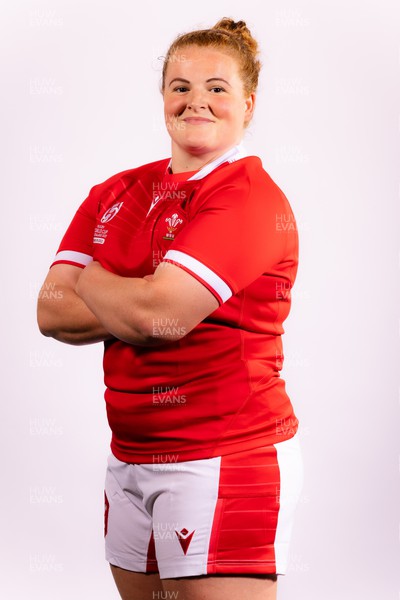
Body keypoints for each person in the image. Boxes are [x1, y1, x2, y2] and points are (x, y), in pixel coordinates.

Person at [37, 17, 303, 600]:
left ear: (248, 104)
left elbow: (159, 318)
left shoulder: (249, 198)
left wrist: (95, 278)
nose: (195, 102)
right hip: (129, 456)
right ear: (162, 97)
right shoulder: (116, 191)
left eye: (216, 88)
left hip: (223, 457)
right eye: (180, 87)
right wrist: (135, 289)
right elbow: (52, 312)